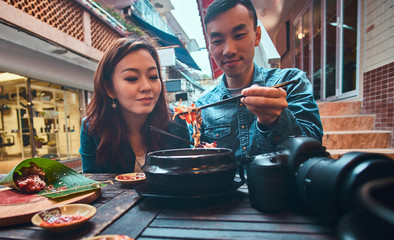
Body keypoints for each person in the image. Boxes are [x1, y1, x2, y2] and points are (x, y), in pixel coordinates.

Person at [196, 0, 323, 163]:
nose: (229, 50)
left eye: (239, 35)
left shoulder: (290, 82)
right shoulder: (202, 106)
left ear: (257, 36)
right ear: (210, 47)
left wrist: (275, 120)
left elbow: (313, 147)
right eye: (217, 41)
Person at [80, 35, 190, 173]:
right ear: (109, 88)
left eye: (153, 77)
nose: (147, 87)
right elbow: (95, 185)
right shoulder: (93, 129)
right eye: (132, 78)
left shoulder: (177, 121)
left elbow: (187, 177)